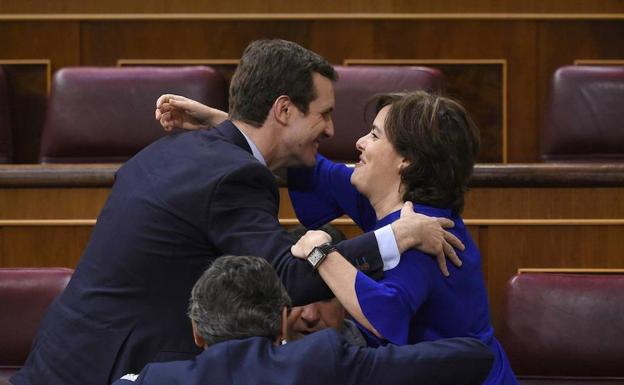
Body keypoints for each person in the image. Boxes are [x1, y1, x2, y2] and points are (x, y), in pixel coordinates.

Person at [12, 40, 462, 385]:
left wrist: (219, 120)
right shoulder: (235, 178)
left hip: (64, 353)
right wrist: (398, 237)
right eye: (323, 114)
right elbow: (285, 275)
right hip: (113, 367)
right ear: (284, 109)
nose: (330, 129)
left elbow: (248, 142)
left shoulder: (173, 149)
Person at [288, 92, 518, 384]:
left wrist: (321, 252)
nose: (359, 142)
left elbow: (386, 315)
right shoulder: (385, 199)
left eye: (374, 135)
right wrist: (227, 127)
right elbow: (303, 162)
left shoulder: (427, 237)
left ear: (406, 160)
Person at [111, 255, 494, 385]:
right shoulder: (322, 360)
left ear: (197, 332)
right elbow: (473, 357)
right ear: (282, 322)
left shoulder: (151, 380)